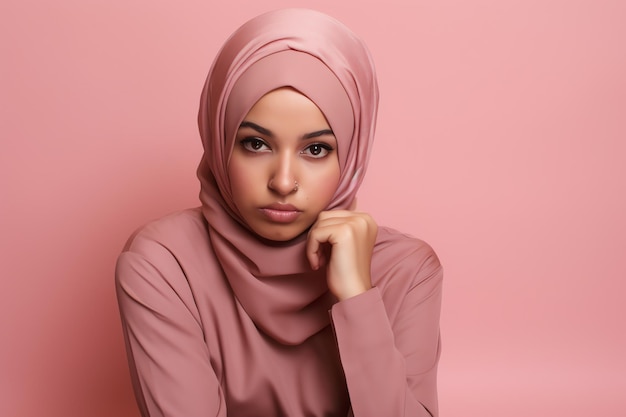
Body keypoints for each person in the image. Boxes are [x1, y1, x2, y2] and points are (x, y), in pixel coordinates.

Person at [115, 8, 443, 417]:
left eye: (316, 149)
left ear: (352, 156)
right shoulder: (165, 264)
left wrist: (358, 297)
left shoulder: (406, 272)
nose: (284, 182)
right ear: (219, 138)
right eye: (256, 144)